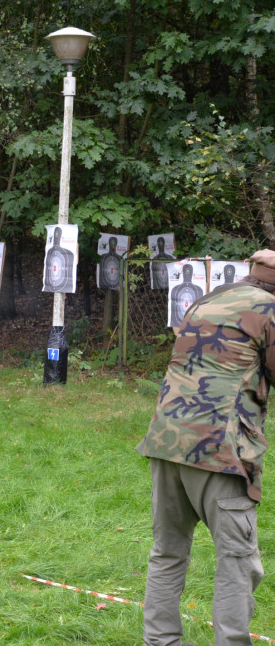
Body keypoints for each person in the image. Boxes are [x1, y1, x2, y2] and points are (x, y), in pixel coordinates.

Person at [136, 248, 275, 645]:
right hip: (220, 451)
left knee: (167, 552)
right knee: (237, 561)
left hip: (165, 440)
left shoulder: (209, 298)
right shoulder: (270, 310)